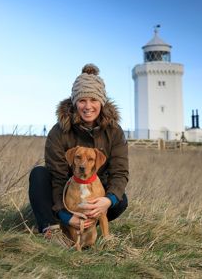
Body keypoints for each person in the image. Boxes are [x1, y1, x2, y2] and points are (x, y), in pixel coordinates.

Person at [28, 63, 129, 246]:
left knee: (120, 201)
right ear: (74, 102)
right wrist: (66, 215)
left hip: (95, 190)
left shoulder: (114, 131)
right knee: (39, 174)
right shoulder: (59, 132)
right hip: (65, 195)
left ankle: (89, 227)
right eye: (82, 100)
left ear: (102, 102)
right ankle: (52, 228)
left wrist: (107, 200)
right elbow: (57, 178)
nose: (88, 106)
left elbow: (120, 173)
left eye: (93, 100)